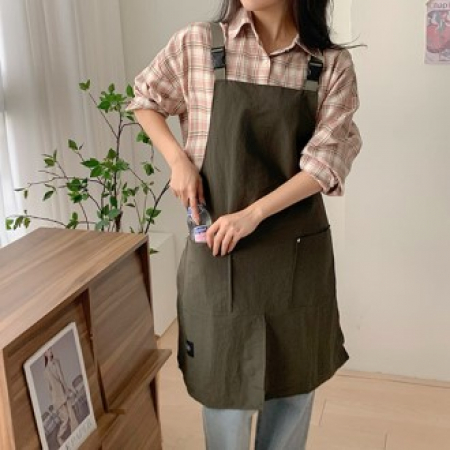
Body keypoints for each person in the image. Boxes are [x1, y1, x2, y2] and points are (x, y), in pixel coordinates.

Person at [127, 0, 362, 448]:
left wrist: (253, 214)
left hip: (294, 256)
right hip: (219, 253)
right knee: (224, 391)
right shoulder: (198, 43)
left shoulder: (330, 65)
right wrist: (178, 160)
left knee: (293, 390)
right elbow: (145, 99)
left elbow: (326, 163)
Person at [43, 348, 79, 446]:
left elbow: (62, 377)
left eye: (50, 349)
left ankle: (76, 434)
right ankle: (59, 436)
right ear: (45, 354)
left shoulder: (57, 362)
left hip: (64, 392)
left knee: (72, 414)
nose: (50, 350)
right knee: (65, 418)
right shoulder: (45, 372)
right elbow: (49, 389)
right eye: (47, 350)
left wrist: (68, 389)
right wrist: (53, 400)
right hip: (57, 398)